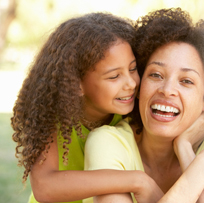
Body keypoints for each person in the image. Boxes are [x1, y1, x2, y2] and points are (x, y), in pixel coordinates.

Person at [84, 8, 204, 203]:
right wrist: (202, 166)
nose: (167, 90)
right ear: (140, 83)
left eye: (186, 81)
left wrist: (186, 152)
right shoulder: (108, 143)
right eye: (156, 75)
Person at [11, 12, 162, 203]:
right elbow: (44, 186)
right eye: (114, 76)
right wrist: (138, 181)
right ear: (75, 84)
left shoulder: (135, 113)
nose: (131, 83)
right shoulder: (56, 117)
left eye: (132, 69)